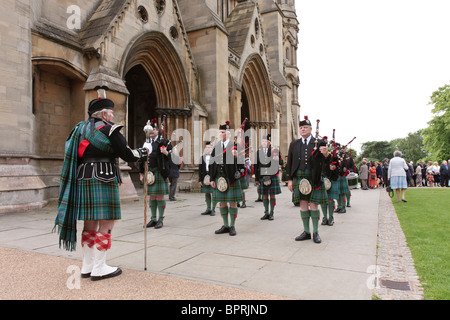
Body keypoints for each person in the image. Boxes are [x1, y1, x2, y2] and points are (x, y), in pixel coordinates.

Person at [54, 92, 149, 281]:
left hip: (83, 178)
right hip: (103, 177)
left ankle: (87, 265)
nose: (113, 116)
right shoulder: (110, 129)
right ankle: (99, 267)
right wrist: (145, 151)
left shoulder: (79, 129)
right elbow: (128, 154)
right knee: (107, 221)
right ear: (104, 114)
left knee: (90, 223)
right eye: (111, 113)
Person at [286, 116, 330, 244]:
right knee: (303, 204)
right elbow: (290, 163)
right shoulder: (294, 144)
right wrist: (289, 180)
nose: (303, 129)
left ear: (311, 129)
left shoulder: (319, 143)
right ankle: (306, 232)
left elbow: (326, 161)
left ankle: (315, 232)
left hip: (314, 177)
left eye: (305, 127)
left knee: (314, 204)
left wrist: (326, 153)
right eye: (301, 128)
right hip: (299, 177)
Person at [209, 121, 245, 236]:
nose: (220, 134)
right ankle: (225, 225)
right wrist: (211, 178)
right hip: (219, 178)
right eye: (219, 132)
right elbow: (212, 164)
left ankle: (232, 226)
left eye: (223, 132)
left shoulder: (235, 146)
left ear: (228, 134)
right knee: (222, 203)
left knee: (232, 203)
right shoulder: (217, 147)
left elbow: (242, 164)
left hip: (231, 178)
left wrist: (237, 156)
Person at [140, 119, 171, 229]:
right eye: (149, 130)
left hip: (160, 172)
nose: (151, 132)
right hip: (149, 171)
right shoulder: (146, 143)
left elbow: (174, 157)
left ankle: (160, 219)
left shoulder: (165, 141)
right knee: (152, 197)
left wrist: (166, 152)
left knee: (159, 196)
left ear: (157, 130)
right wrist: (141, 172)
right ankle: (153, 219)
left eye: (153, 129)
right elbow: (142, 158)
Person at [254, 134, 282, 221]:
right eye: (262, 141)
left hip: (272, 176)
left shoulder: (275, 150)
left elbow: (281, 161)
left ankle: (272, 213)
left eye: (265, 141)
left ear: (269, 143)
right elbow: (256, 166)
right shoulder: (258, 152)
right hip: (262, 176)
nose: (264, 143)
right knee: (264, 195)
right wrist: (257, 178)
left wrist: (278, 159)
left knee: (272, 195)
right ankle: (266, 213)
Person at [198, 142, 216, 216]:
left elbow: (215, 169)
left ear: (211, 148)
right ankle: (208, 208)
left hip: (212, 176)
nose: (207, 149)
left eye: (208, 147)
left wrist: (214, 178)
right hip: (205, 177)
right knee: (207, 193)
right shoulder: (202, 157)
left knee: (214, 193)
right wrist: (200, 179)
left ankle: (213, 209)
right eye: (206, 147)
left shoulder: (215, 157)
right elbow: (200, 169)